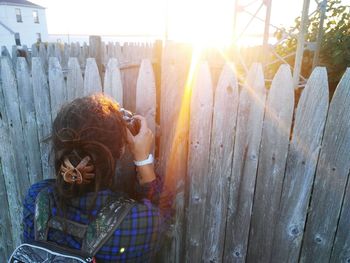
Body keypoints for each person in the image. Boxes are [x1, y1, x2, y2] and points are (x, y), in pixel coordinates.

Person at [22, 94, 173, 262]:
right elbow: (163, 212)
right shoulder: (138, 223)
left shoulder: (35, 199)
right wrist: (143, 159)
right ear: (122, 150)